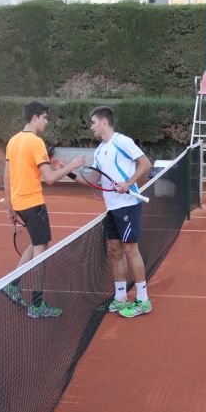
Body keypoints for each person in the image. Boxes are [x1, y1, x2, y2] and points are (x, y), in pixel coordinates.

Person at [3, 101, 85, 318]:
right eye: (45, 118)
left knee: (38, 242)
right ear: (35, 118)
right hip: (33, 203)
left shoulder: (13, 141)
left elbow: (6, 177)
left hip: (20, 204)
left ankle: (13, 284)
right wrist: (72, 166)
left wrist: (10, 208)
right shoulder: (36, 142)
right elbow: (49, 178)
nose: (47, 122)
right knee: (42, 250)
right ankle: (37, 304)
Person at [69, 106, 153, 318]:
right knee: (115, 251)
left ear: (104, 122)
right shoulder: (99, 151)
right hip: (112, 208)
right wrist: (68, 172)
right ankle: (120, 297)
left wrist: (128, 182)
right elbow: (94, 181)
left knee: (131, 251)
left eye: (93, 123)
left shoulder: (121, 141)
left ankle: (143, 300)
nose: (92, 127)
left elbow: (145, 164)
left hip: (128, 205)